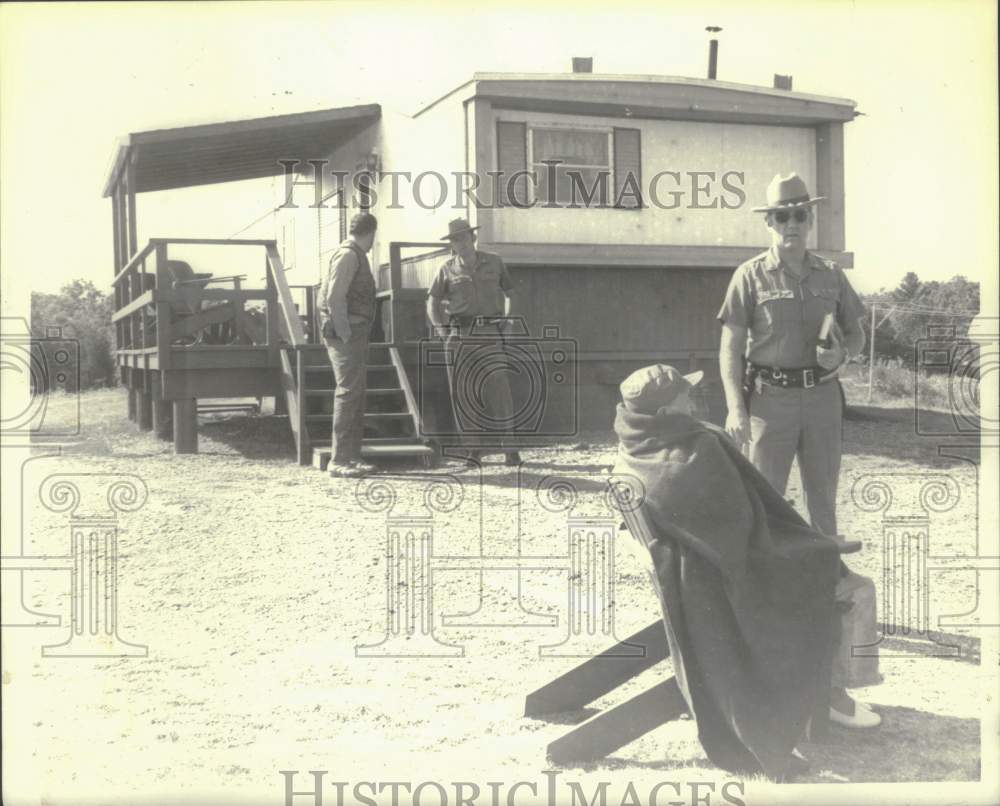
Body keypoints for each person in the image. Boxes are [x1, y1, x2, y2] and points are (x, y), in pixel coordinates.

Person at [612, 364, 857, 779]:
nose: (693, 399)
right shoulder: (694, 448)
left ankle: (831, 691)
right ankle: (833, 693)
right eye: (684, 397)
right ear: (668, 409)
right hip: (722, 563)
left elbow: (725, 514)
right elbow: (740, 522)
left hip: (688, 559)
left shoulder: (636, 443)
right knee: (833, 572)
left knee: (820, 558)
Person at [717, 173, 881, 728]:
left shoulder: (831, 275)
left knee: (823, 502)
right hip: (769, 400)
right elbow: (731, 346)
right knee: (764, 500)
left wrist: (844, 356)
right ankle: (761, 597)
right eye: (781, 217)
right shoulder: (749, 275)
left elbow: (857, 334)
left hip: (821, 398)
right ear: (768, 223)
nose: (791, 226)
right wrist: (737, 408)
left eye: (800, 216)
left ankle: (826, 598)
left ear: (811, 221)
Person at [426, 217, 521, 465]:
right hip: (460, 336)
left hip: (490, 334)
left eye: (465, 237)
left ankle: (510, 448)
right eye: (456, 240)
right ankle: (473, 450)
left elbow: (510, 293)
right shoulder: (446, 269)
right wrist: (442, 331)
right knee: (463, 392)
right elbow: (432, 302)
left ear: (473, 238)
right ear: (452, 244)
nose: (461, 243)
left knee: (499, 389)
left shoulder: (495, 262)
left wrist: (509, 322)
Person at [318, 212, 378, 478]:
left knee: (356, 393)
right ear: (371, 233)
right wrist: (344, 334)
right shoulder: (348, 255)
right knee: (348, 392)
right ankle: (339, 460)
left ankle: (351, 457)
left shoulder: (352, 254)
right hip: (347, 333)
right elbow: (334, 298)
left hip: (354, 331)